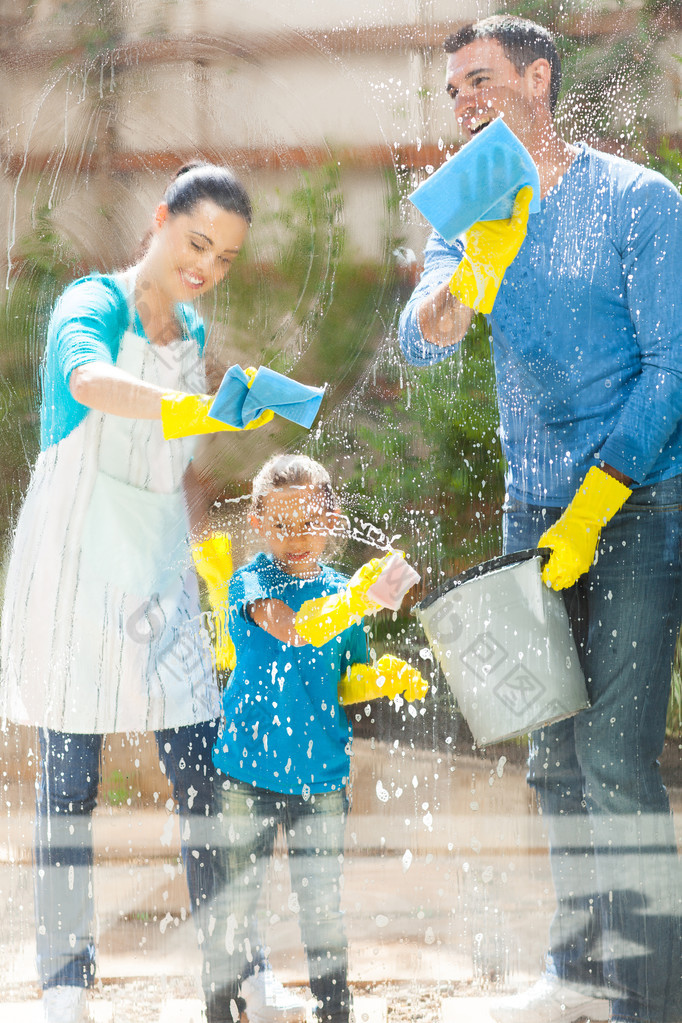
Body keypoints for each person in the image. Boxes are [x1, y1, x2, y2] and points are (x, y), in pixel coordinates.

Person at [399, 15, 682, 1023]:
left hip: (639, 505)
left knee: (613, 758)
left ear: (538, 77)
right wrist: (464, 280)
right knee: (552, 758)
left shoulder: (640, 201)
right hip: (532, 511)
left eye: (479, 81)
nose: (464, 102)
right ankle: (575, 976)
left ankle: (650, 999)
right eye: (453, 93)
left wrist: (603, 492)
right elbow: (422, 337)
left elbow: (670, 368)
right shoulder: (470, 214)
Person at [0, 161, 297, 1023]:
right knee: (68, 781)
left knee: (204, 773)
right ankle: (63, 985)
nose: (205, 265)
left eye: (227, 256)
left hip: (156, 562)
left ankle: (238, 969)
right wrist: (189, 412)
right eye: (196, 241)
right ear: (161, 221)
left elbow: (175, 466)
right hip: (73, 564)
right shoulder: (89, 304)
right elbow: (89, 382)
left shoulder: (192, 333)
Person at [201, 454, 428, 1023]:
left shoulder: (340, 593)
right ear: (257, 522)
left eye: (306, 523)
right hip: (246, 775)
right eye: (279, 526)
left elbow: (341, 679)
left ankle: (335, 1011)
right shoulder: (250, 582)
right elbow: (291, 627)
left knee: (321, 905)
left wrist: (379, 678)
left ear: (331, 521)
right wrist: (354, 599)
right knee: (235, 904)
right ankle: (217, 1010)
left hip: (321, 777)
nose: (294, 537)